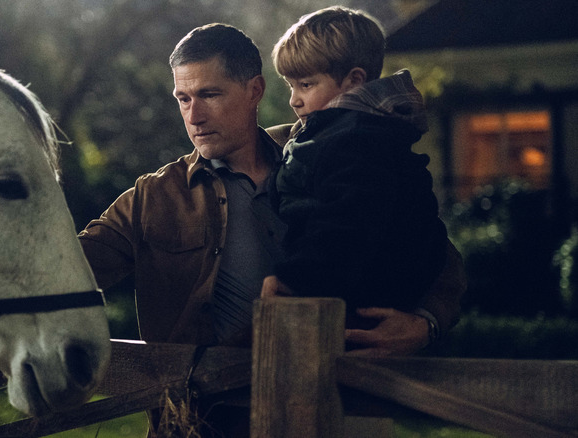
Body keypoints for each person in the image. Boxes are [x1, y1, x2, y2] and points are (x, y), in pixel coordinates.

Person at [78, 22, 465, 437]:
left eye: (210, 94)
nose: (194, 115)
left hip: (338, 413)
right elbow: (68, 265)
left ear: (255, 90)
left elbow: (439, 255)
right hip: (201, 424)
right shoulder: (153, 198)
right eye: (183, 98)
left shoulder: (327, 152)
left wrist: (425, 324)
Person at [261, 6, 448, 328]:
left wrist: (297, 279)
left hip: (356, 302)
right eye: (291, 86)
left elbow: (347, 220)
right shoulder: (349, 134)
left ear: (354, 81)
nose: (294, 100)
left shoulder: (354, 141)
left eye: (305, 85)